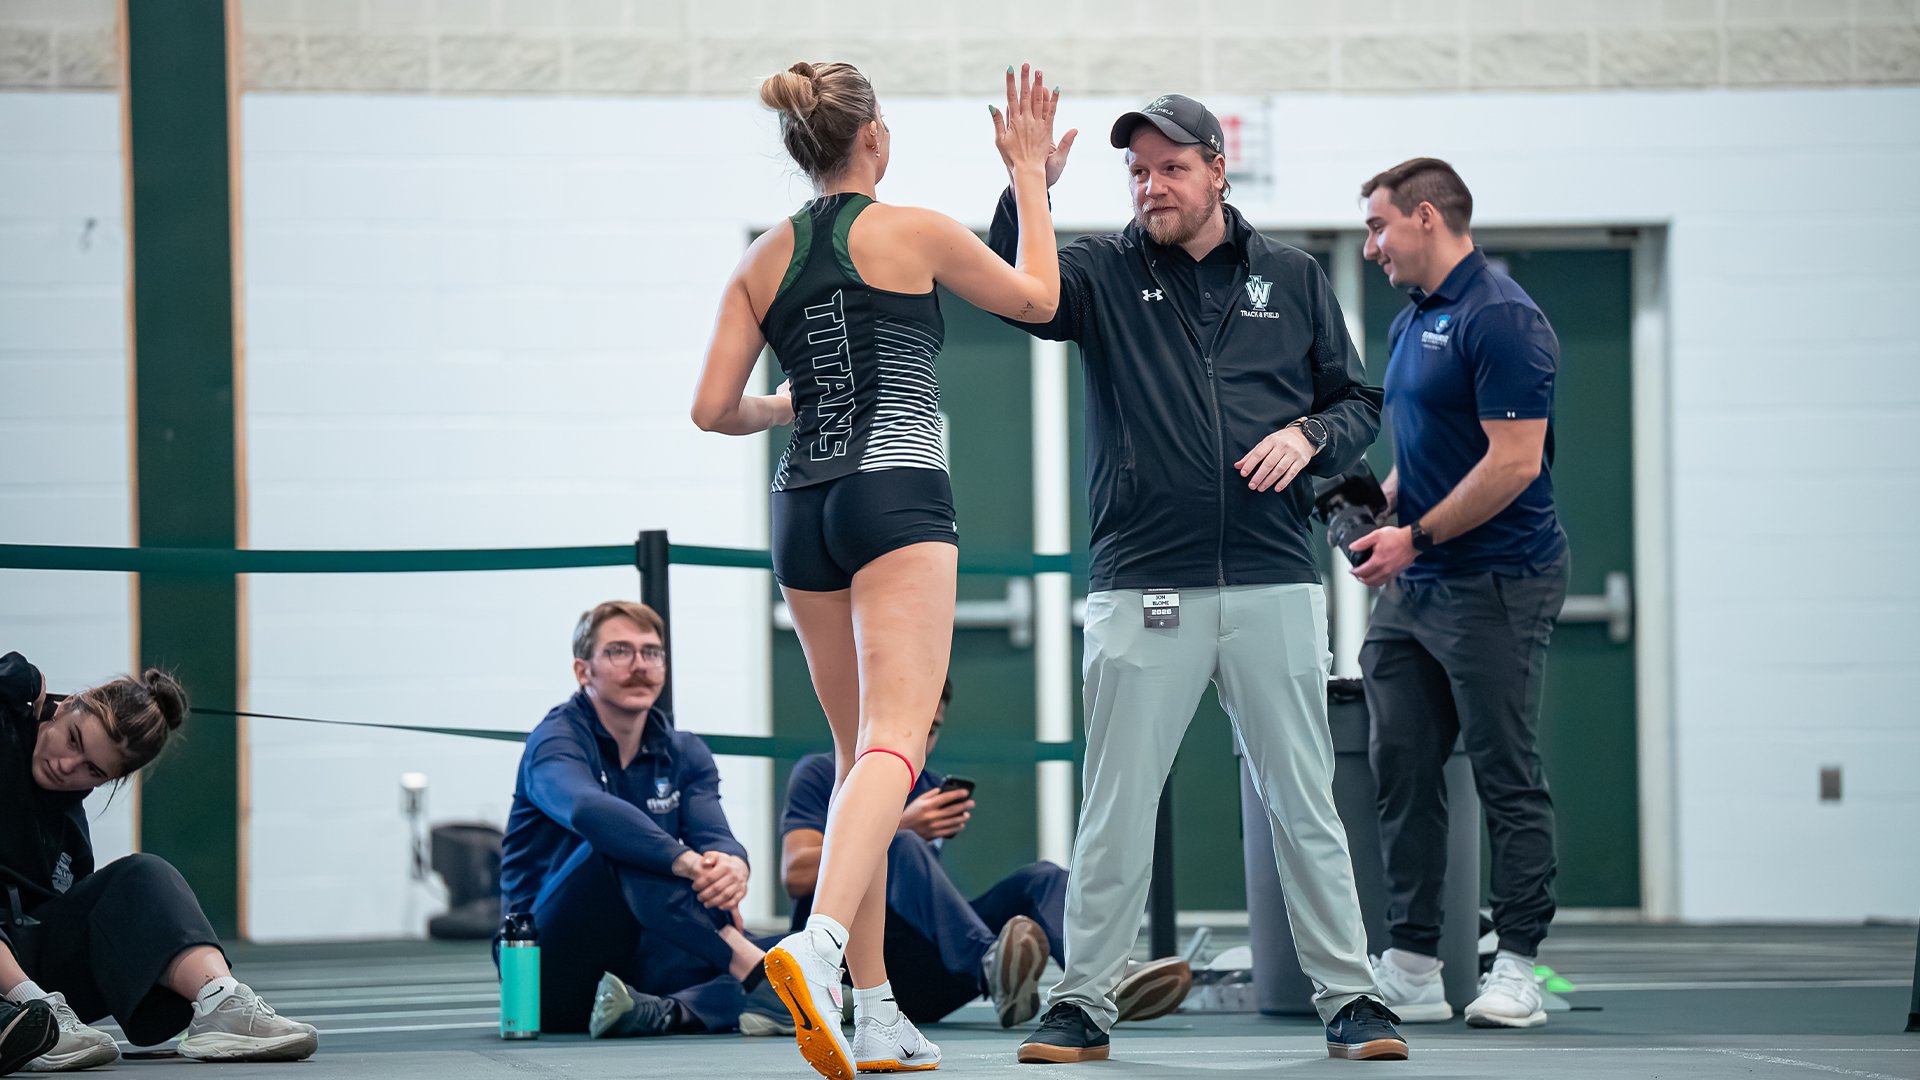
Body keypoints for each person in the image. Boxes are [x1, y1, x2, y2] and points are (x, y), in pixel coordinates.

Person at [985, 93, 1409, 1063]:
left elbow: (1355, 402)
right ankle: (1082, 1002)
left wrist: (1310, 433)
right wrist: (1026, 192)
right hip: (1145, 580)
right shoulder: (1096, 270)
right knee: (1117, 806)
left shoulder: (1294, 279)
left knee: (1305, 801)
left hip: (1272, 578)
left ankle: (1351, 999)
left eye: (1171, 167)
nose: (1151, 184)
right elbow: (1023, 289)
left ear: (1218, 169)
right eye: (1137, 170)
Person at [690, 60, 1061, 1078]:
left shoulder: (761, 260)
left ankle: (878, 1005)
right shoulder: (915, 230)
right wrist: (1029, 174)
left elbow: (713, 409)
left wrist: (785, 406)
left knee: (860, 760)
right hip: (895, 493)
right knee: (896, 743)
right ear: (874, 142)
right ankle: (811, 946)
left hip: (803, 504)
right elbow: (1037, 297)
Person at [1352, 158, 1568, 1030]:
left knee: (1504, 773)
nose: (1371, 247)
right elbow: (1434, 442)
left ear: (1427, 218)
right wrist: (1392, 502)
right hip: (1417, 586)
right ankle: (1410, 961)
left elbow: (1514, 462)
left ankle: (1518, 966)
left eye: (1378, 227)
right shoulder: (1415, 320)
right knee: (1399, 765)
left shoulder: (1504, 318)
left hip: (1498, 581)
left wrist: (1417, 536)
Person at [779, 680, 1193, 1030]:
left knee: (1043, 878)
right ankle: (991, 964)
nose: (921, 739)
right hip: (856, 972)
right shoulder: (821, 773)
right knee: (901, 845)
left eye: (932, 728)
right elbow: (796, 875)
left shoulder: (929, 784)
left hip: (927, 974)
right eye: (914, 724)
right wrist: (900, 827)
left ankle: (1100, 980)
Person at [0, 651, 319, 1072]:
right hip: (18, 990)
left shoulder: (69, 833)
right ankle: (31, 1012)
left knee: (144, 875)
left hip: (27, 963)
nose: (66, 766)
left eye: (92, 770)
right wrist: (11, 676)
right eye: (73, 739)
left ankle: (223, 1003)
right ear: (66, 704)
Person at [499, 600, 790, 1039]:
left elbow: (716, 835)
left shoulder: (685, 751)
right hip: (550, 965)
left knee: (805, 954)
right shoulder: (555, 740)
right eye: (619, 651)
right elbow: (586, 809)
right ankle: (756, 978)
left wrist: (732, 866)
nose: (640, 665)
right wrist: (687, 862)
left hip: (649, 953)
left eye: (651, 653)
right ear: (583, 671)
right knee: (615, 842)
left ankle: (667, 1012)